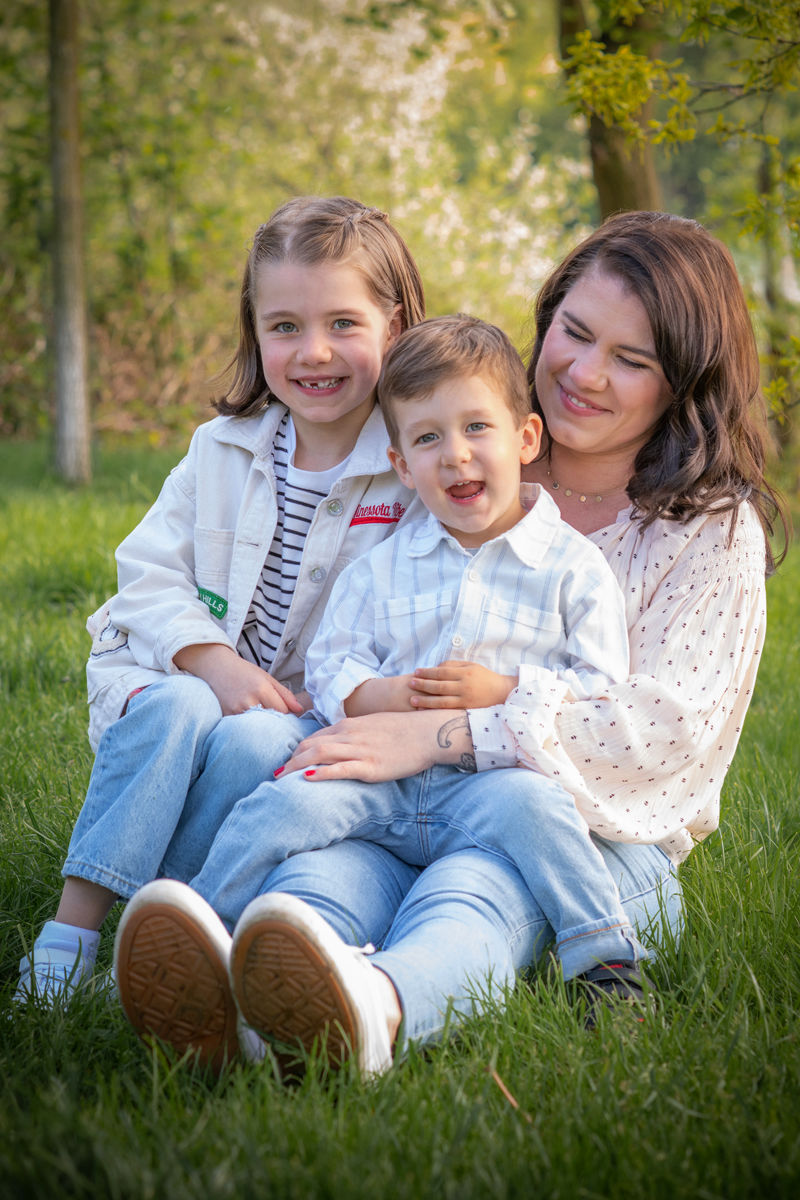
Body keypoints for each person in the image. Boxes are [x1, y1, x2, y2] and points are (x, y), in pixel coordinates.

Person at [113, 210, 786, 1078]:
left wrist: (449, 731)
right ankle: (237, 1001)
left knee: (470, 893)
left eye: (631, 359)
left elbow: (662, 736)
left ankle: (376, 1008)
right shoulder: (470, 451)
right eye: (574, 334)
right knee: (332, 877)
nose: (583, 373)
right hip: (404, 796)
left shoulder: (705, 530)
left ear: (684, 381)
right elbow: (350, 622)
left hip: (589, 839)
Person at [14, 195, 426, 1005]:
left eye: (344, 323)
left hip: (302, 713)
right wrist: (213, 664)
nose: (314, 352)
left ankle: (178, 926)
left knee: (249, 746)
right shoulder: (224, 449)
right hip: (179, 674)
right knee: (180, 711)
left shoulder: (412, 467)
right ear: (254, 329)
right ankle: (72, 932)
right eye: (284, 326)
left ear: (397, 325)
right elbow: (149, 572)